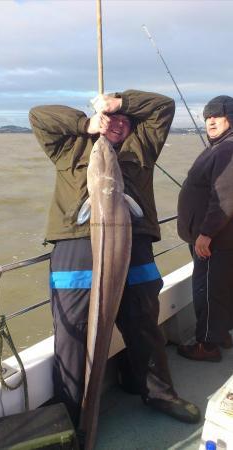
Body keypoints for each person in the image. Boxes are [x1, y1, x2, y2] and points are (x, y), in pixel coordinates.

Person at [29, 90, 200, 429]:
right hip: (76, 247)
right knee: (72, 333)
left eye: (125, 121)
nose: (118, 126)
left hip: (133, 244)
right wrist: (86, 123)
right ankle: (72, 412)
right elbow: (39, 116)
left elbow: (163, 107)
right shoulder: (71, 147)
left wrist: (119, 104)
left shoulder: (142, 148)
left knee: (143, 322)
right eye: (112, 121)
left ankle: (157, 392)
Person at [177, 95, 233, 362]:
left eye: (217, 116)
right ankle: (221, 334)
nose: (210, 120)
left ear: (230, 119)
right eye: (207, 116)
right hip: (220, 239)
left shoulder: (226, 149)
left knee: (207, 291)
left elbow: (224, 197)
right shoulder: (220, 147)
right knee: (220, 289)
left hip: (215, 240)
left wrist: (206, 233)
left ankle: (207, 347)